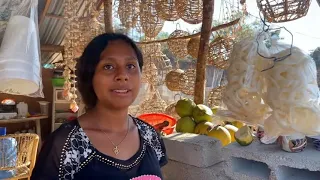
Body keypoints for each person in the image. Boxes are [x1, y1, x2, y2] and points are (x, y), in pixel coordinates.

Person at [31, 33, 168, 180]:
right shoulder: (65, 145)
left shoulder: (150, 137)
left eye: (130, 66)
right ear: (90, 76)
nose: (123, 75)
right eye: (108, 66)